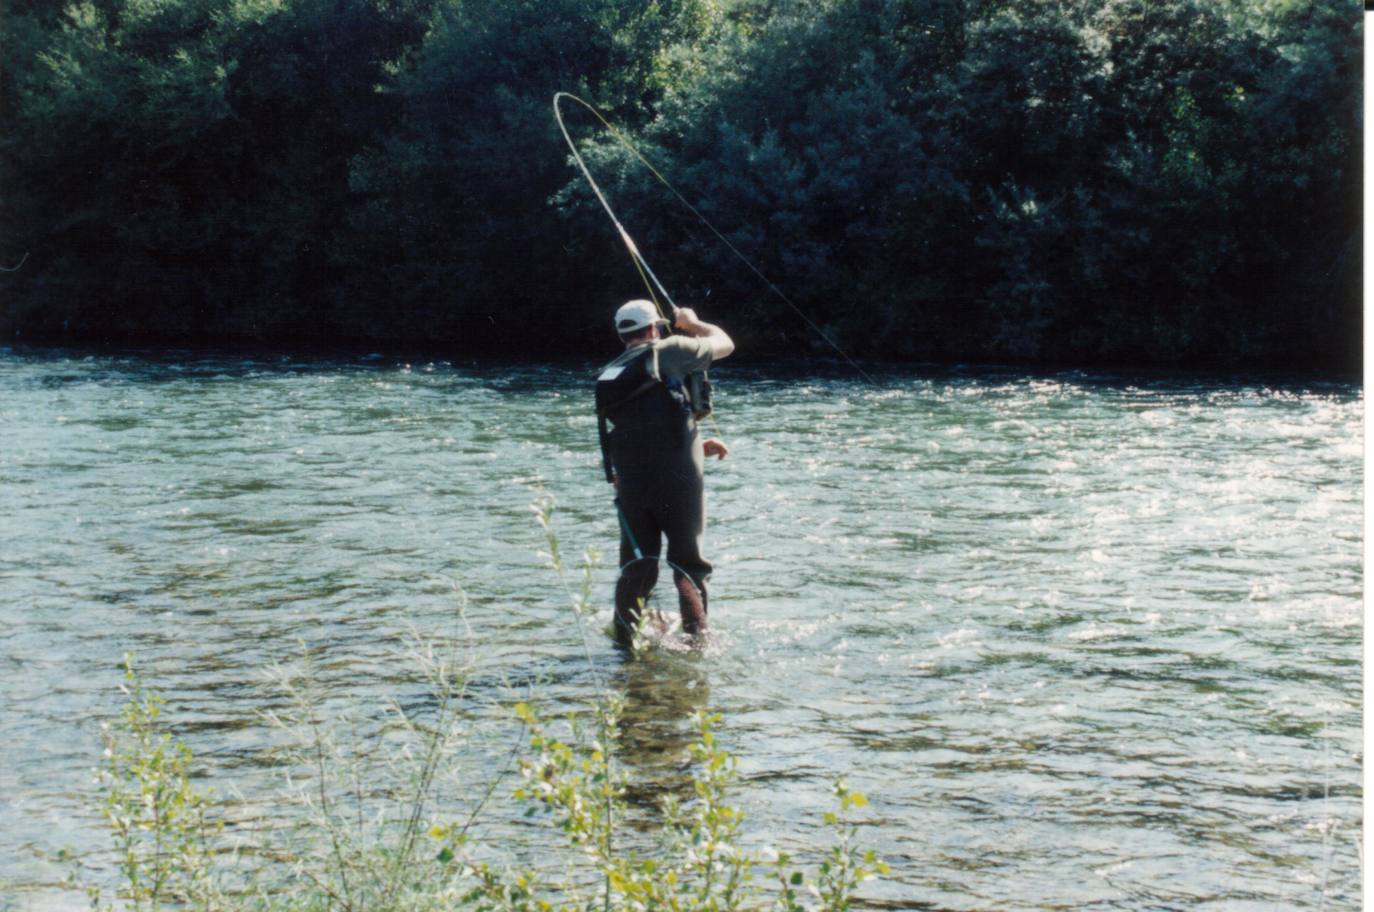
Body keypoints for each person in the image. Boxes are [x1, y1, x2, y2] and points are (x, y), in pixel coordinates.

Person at [595, 299, 734, 648]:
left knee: (638, 563)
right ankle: (699, 645)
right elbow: (725, 343)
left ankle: (624, 647)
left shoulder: (612, 372)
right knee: (688, 563)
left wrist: (698, 445)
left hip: (631, 484)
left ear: (621, 334)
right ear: (655, 327)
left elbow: (644, 429)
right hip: (676, 482)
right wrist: (694, 322)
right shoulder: (670, 349)